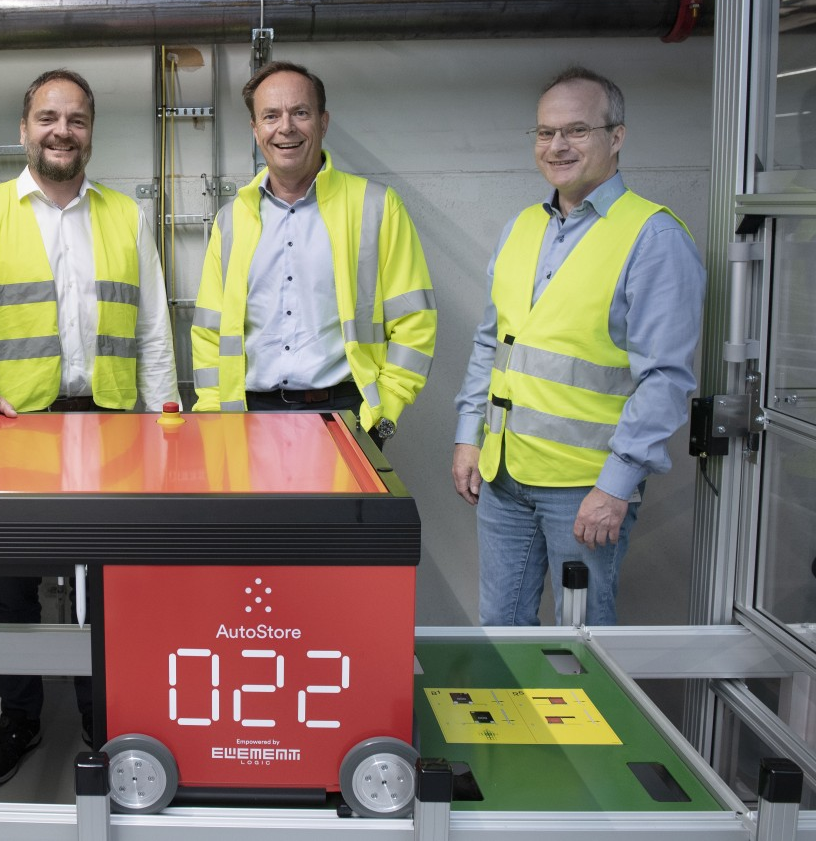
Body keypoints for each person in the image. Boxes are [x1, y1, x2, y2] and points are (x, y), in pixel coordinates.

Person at [0, 68, 178, 788]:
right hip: (17, 425)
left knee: (107, 584)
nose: (60, 131)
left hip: (110, 423)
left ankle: (105, 718)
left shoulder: (125, 214)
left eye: (75, 119)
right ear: (23, 130)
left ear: (91, 131)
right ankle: (20, 718)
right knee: (12, 586)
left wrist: (165, 418)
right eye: (47, 117)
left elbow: (155, 326)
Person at [451, 66, 705, 627]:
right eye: (545, 132)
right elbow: (492, 344)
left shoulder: (654, 238)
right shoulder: (521, 228)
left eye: (576, 131)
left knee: (581, 648)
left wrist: (617, 486)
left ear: (616, 138)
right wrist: (470, 436)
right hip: (504, 477)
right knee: (500, 628)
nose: (557, 145)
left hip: (584, 488)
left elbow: (666, 380)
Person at [189, 61, 436, 444]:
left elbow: (415, 323)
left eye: (299, 112)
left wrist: (383, 412)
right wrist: (210, 413)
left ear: (323, 122)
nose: (285, 127)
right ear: (255, 131)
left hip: (345, 418)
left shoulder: (376, 207)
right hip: (249, 421)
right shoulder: (231, 219)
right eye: (270, 116)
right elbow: (209, 332)